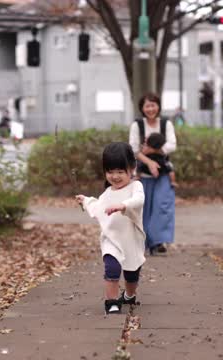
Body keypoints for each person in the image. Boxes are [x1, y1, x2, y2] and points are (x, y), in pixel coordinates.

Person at [75, 142, 146, 315]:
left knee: (132, 274)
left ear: (132, 168)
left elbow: (139, 200)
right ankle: (112, 302)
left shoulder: (135, 187)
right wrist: (85, 200)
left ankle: (129, 295)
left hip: (131, 239)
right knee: (112, 268)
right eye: (110, 172)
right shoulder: (107, 194)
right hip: (111, 240)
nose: (115, 176)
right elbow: (98, 207)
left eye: (120, 172)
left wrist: (123, 206)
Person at [129, 93, 177, 255]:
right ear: (142, 108)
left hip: (163, 171)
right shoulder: (137, 125)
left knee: (162, 205)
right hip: (142, 173)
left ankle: (158, 241)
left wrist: (153, 150)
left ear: (158, 106)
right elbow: (134, 149)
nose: (150, 109)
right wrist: (149, 162)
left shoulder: (166, 123)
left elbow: (172, 145)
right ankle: (144, 242)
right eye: (147, 106)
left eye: (153, 105)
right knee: (144, 207)